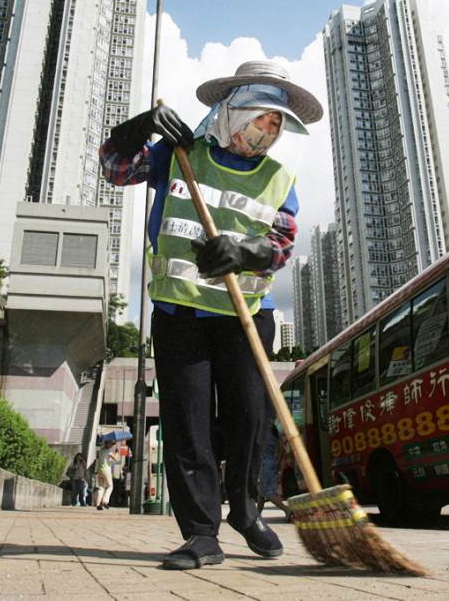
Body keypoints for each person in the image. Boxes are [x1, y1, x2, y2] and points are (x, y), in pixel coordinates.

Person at [100, 61, 322, 570]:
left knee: (249, 419)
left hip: (246, 316)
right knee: (188, 424)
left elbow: (282, 246)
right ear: (234, 112)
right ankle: (201, 532)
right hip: (181, 315)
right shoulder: (178, 155)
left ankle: (246, 511)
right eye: (262, 119)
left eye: (276, 125)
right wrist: (139, 128)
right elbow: (114, 168)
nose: (268, 132)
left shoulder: (279, 177)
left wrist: (247, 251)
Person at [256, 424, 290, 522]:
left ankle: (287, 510)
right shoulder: (275, 431)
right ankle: (257, 516)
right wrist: (278, 461)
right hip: (272, 461)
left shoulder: (261, 432)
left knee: (269, 494)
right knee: (261, 493)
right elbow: (282, 448)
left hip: (264, 464)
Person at [93, 438, 119, 510]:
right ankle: (105, 501)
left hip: (100, 470)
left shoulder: (101, 451)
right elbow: (115, 459)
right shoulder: (108, 451)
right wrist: (116, 452)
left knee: (101, 487)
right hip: (106, 470)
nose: (111, 444)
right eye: (110, 443)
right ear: (106, 444)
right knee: (110, 486)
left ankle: (98, 504)